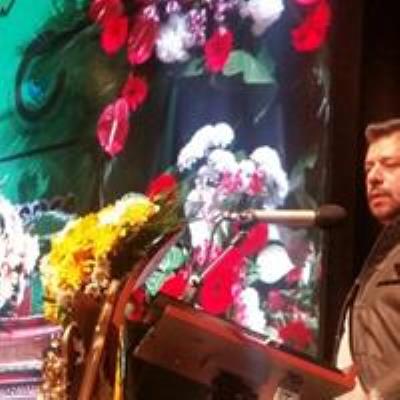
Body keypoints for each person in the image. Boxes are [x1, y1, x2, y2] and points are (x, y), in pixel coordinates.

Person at [335, 118, 400, 400]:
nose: (373, 177)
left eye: (390, 164)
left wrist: (381, 394)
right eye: (368, 167)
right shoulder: (387, 249)